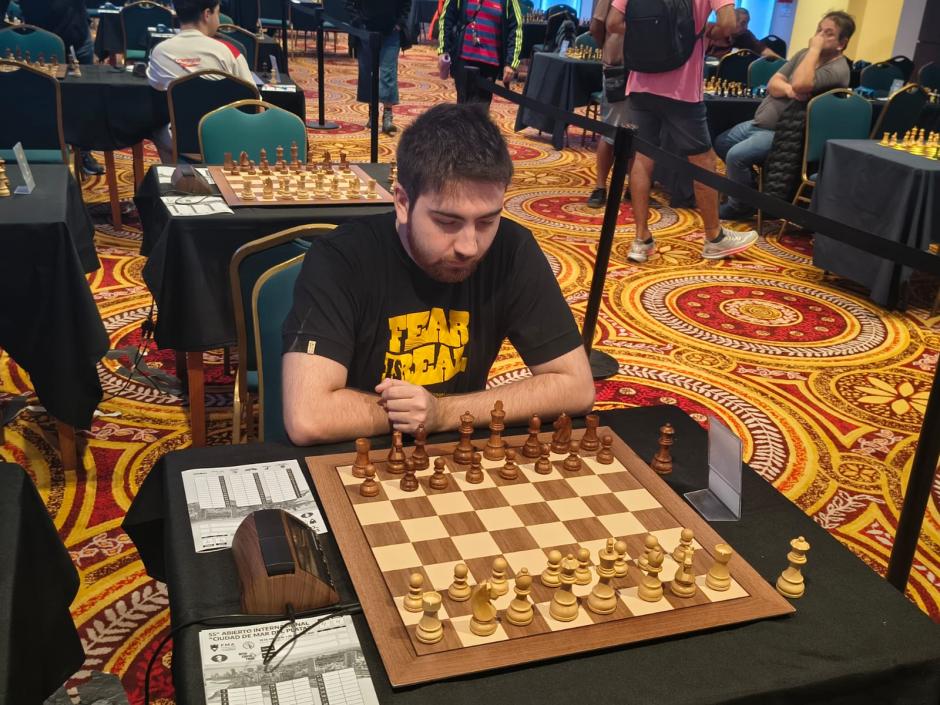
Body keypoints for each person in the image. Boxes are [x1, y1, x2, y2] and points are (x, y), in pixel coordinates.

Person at [282, 103, 595, 445]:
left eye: (487, 221)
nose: (469, 247)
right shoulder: (341, 258)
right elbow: (309, 416)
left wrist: (443, 413)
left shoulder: (512, 249)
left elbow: (576, 387)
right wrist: (415, 415)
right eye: (447, 222)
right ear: (403, 202)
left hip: (455, 448)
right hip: (356, 454)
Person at [607, 0, 758, 263]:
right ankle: (714, 237)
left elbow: (613, 23)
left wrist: (651, 33)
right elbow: (728, 24)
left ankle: (641, 239)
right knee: (704, 161)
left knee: (642, 158)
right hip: (683, 90)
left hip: (641, 82)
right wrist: (703, 31)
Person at [715, 12, 853, 220]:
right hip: (759, 124)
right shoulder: (804, 54)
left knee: (736, 156)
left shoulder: (839, 69)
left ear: (842, 43)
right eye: (819, 30)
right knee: (721, 141)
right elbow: (773, 83)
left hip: (783, 134)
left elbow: (801, 84)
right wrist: (789, 90)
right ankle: (751, 189)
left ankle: (740, 206)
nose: (819, 36)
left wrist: (814, 50)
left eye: (828, 33)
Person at [146, 0, 253, 162]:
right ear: (207, 14)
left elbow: (157, 96)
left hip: (181, 142)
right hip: (226, 143)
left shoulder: (160, 51)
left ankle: (176, 172)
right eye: (218, 13)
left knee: (156, 129)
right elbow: (254, 100)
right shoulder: (230, 51)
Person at [7, 0, 104, 175]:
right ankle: (42, 148)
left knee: (84, 100)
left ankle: (84, 152)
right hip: (41, 41)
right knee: (40, 100)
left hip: (78, 39)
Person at [438, 0, 523, 106]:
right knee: (462, 105)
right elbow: (446, 19)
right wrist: (443, 50)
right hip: (463, 58)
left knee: (482, 108)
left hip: (490, 63)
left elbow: (516, 29)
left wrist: (510, 63)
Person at [586, 0, 628, 208]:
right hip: (618, 67)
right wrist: (610, 48)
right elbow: (596, 26)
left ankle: (633, 187)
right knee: (611, 131)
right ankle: (600, 186)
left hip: (647, 71)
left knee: (643, 132)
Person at [347, 0, 411, 135]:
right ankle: (373, 114)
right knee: (368, 73)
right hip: (365, 30)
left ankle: (388, 116)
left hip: (391, 31)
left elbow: (407, 3)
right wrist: (357, 20)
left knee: (389, 72)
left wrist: (400, 22)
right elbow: (349, 3)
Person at [706, 8, 781, 60]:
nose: (746, 27)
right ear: (733, 21)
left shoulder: (746, 35)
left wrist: (783, 64)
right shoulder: (712, 30)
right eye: (743, 23)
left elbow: (763, 50)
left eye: (747, 23)